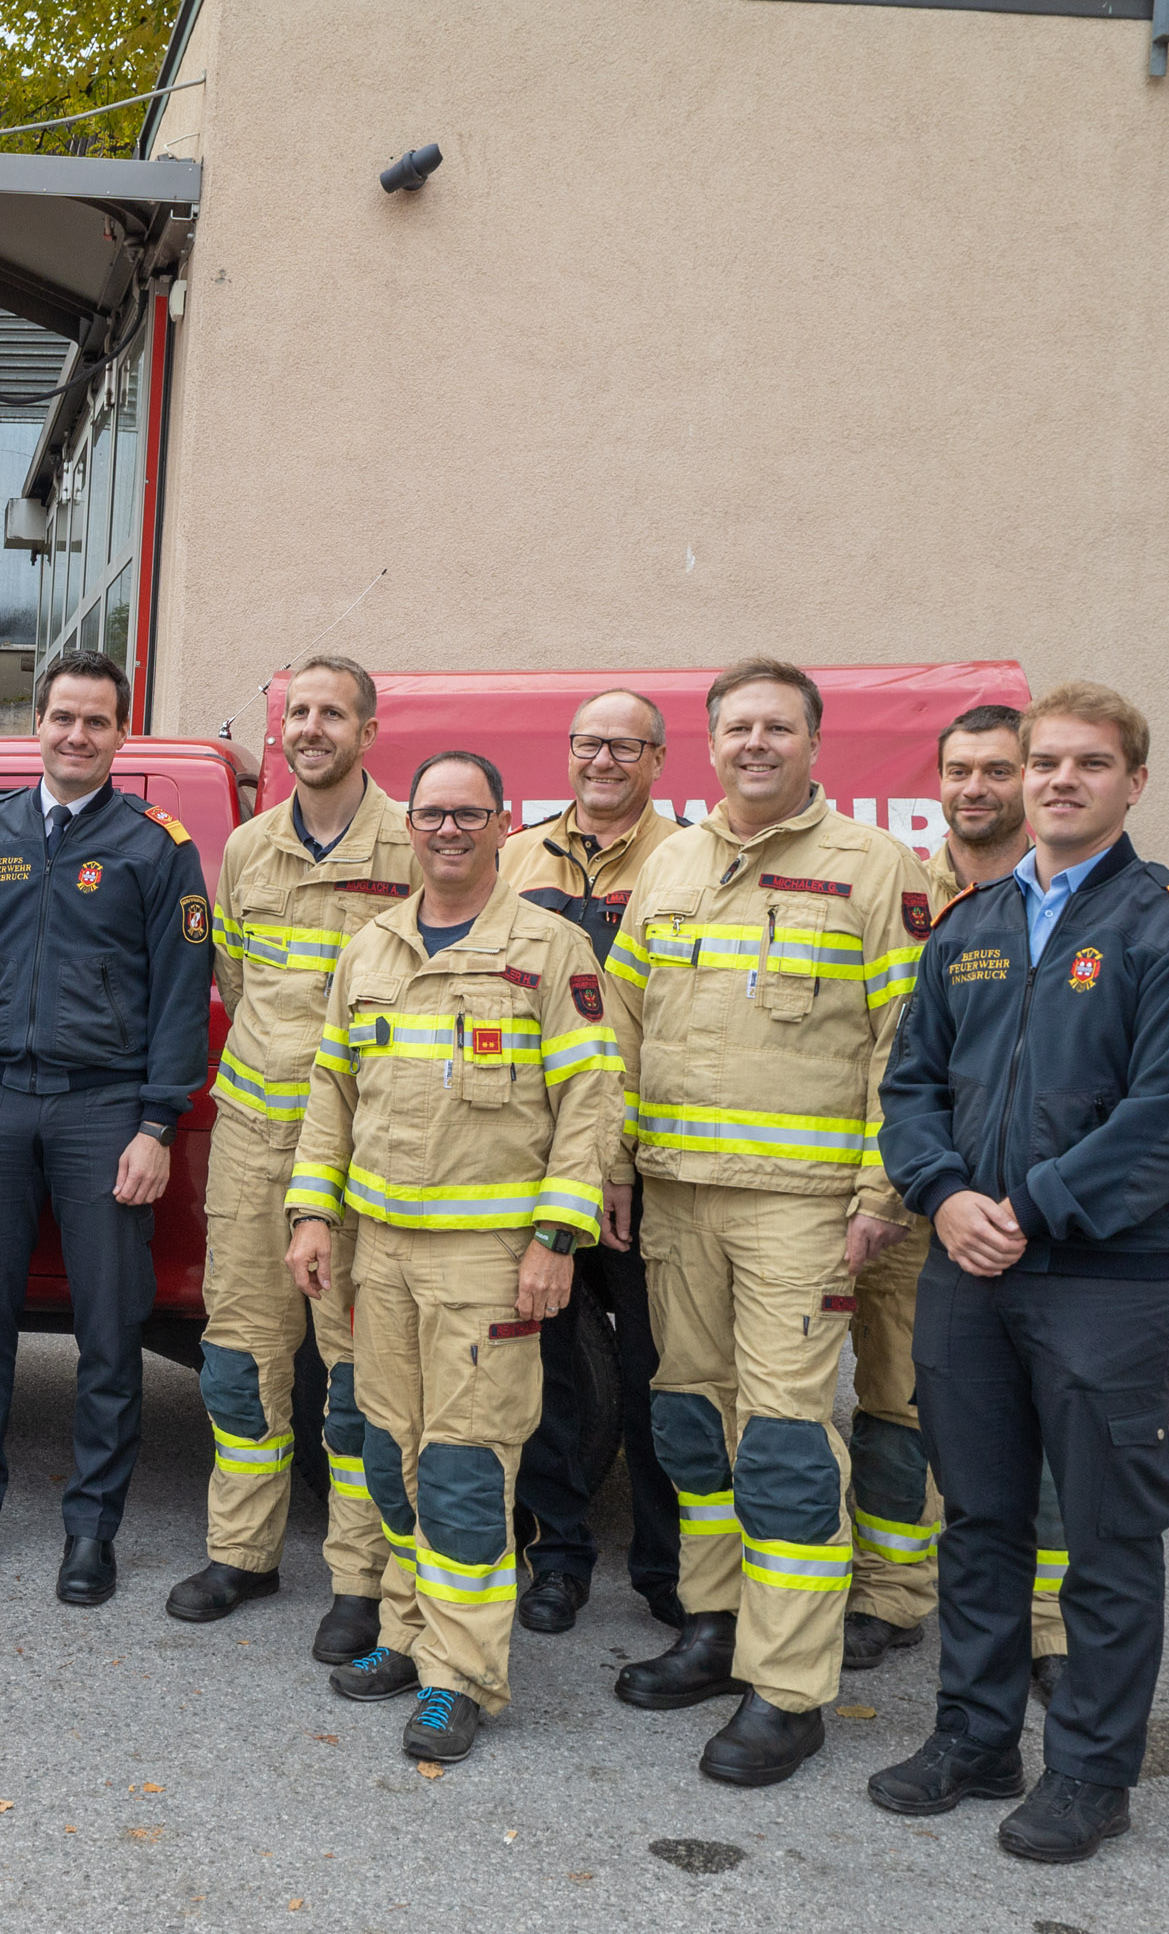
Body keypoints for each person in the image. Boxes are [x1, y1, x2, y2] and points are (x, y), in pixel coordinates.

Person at [871, 682, 1169, 1863]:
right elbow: (910, 1084)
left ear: (1132, 780)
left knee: (1111, 1537)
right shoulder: (968, 926)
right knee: (978, 1519)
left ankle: (1088, 1772)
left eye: (1090, 762)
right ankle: (974, 1738)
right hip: (967, 1268)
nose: (1060, 779)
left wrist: (1027, 1207)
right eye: (1044, 762)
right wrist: (947, 1194)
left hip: (1102, 1281)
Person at [601, 656, 927, 1787]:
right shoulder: (676, 858)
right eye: (737, 727)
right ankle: (716, 1621)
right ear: (710, 743)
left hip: (802, 1209)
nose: (755, 743)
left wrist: (884, 1193)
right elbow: (623, 1025)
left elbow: (909, 1050)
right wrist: (612, 1164)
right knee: (692, 1422)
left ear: (814, 744)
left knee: (785, 1443)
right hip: (679, 1195)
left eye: (776, 728)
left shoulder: (875, 868)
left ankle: (789, 1689)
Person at [285, 751, 618, 1762]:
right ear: (412, 824)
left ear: (501, 821)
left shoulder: (549, 949)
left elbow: (592, 1104)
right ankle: (405, 1628)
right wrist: (310, 1213)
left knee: (468, 1469)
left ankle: (459, 1672)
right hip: (376, 1250)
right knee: (389, 1454)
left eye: (471, 813)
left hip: (487, 1261)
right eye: (433, 813)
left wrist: (557, 1236)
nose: (449, 830)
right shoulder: (373, 947)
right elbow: (330, 1093)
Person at [0, 650, 211, 1606]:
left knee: (110, 1330)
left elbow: (181, 997)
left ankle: (92, 1529)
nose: (76, 735)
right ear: (34, 725)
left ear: (121, 735)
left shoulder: (157, 846)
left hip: (105, 1108)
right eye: (62, 718)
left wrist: (157, 1124)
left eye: (96, 721)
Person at [170, 656, 415, 1658]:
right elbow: (236, 972)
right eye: (296, 712)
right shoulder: (251, 848)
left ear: (366, 729)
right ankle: (244, 1549)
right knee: (238, 1359)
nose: (310, 727)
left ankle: (356, 1580)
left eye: (331, 712)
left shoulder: (409, 844)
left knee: (356, 1378)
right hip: (255, 1143)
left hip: (364, 1155)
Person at [502, 689, 685, 1636]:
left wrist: (621, 1157)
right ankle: (559, 1560)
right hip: (547, 1165)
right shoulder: (516, 856)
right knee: (557, 1375)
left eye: (624, 746)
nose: (602, 760)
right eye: (587, 744)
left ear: (657, 758)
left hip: (649, 1169)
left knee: (662, 1374)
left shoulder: (687, 859)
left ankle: (667, 1572)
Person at [912, 704, 1071, 1700]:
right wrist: (931, 1188)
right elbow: (905, 1061)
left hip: (1052, 1226)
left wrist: (1031, 1204)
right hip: (928, 1203)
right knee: (930, 1421)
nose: (976, 787)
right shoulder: (913, 888)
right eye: (958, 769)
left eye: (996, 769)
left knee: (1048, 1440)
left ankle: (1049, 1629)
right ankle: (909, 1602)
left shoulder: (1091, 907)